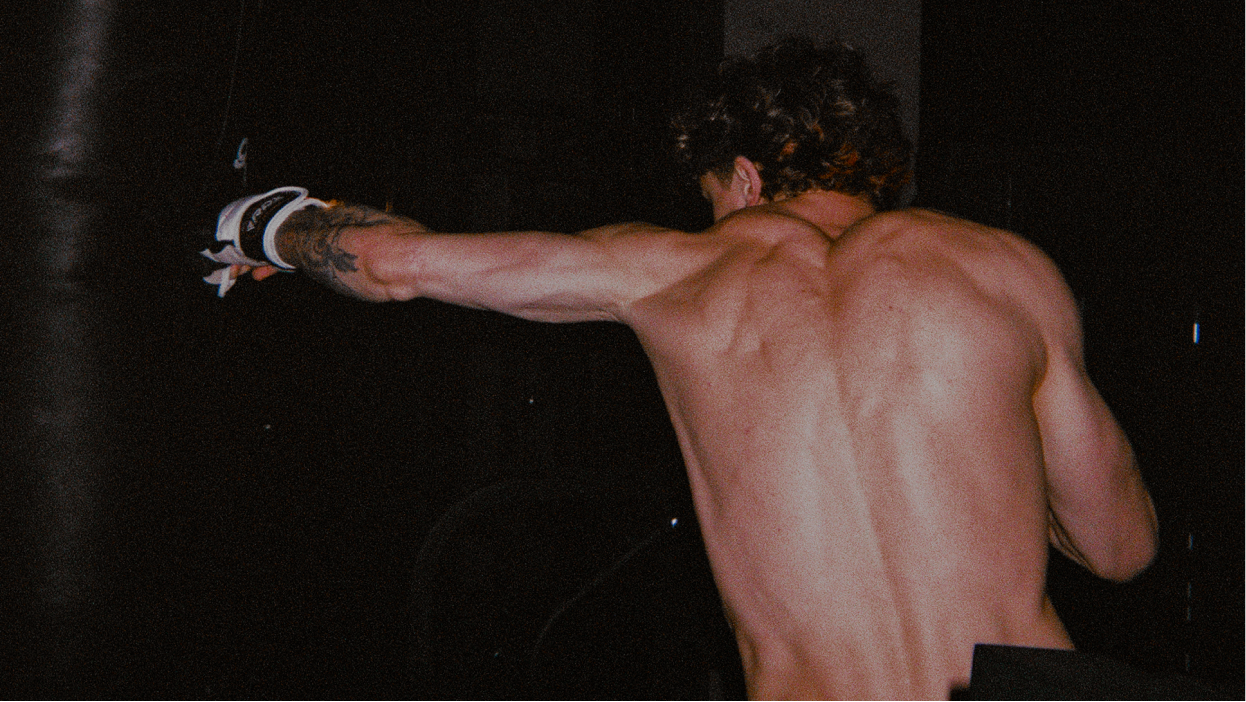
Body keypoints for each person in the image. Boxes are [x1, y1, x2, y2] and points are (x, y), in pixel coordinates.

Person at [208, 38, 1158, 700]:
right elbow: (1122, 546)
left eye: (710, 199)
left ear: (743, 178)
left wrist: (261, 226)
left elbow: (393, 263)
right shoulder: (1007, 271)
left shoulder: (672, 270)